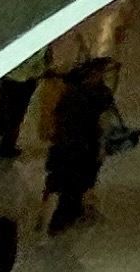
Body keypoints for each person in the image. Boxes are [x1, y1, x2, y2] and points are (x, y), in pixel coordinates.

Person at [43, 58, 114, 231]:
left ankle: (69, 213)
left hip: (69, 146)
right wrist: (101, 147)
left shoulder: (70, 94)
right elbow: (103, 121)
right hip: (83, 147)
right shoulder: (97, 95)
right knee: (76, 184)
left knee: (70, 184)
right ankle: (65, 218)